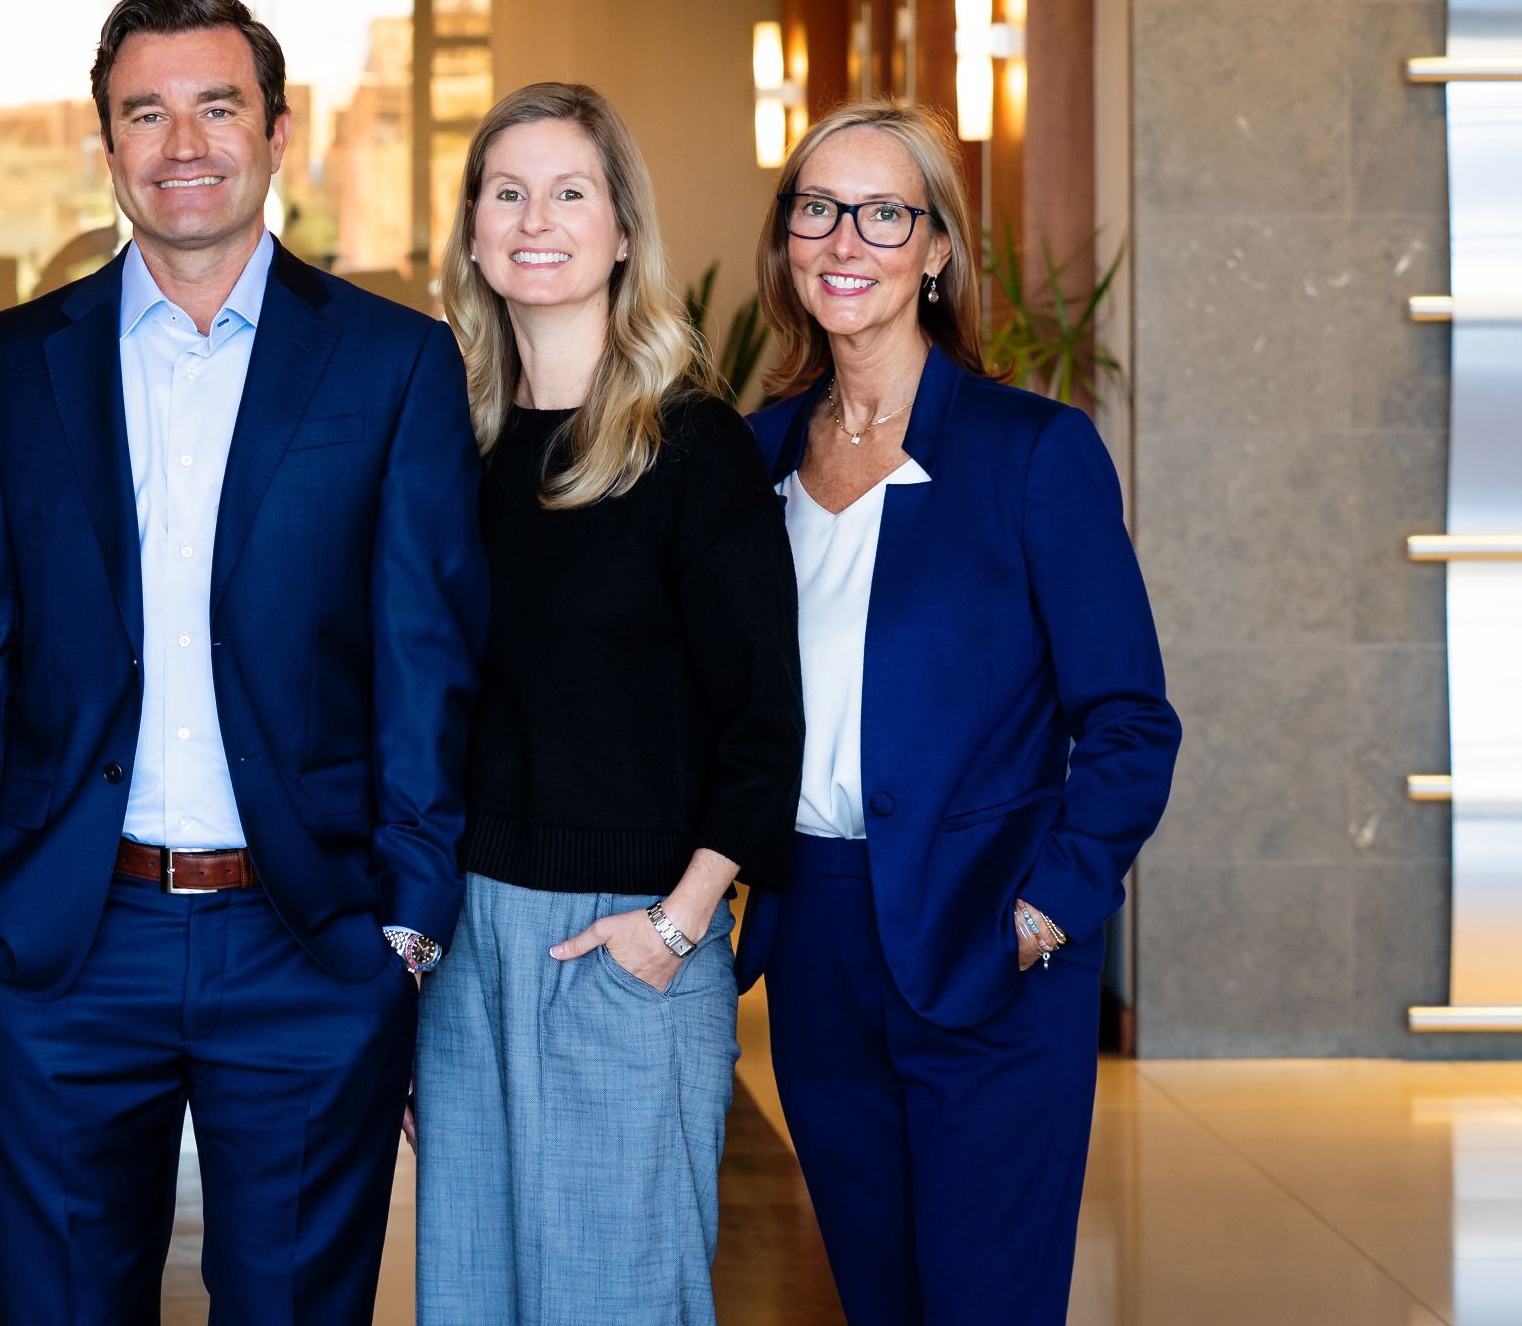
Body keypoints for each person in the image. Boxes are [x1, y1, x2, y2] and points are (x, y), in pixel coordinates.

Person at [0, 0, 488, 1326]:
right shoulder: (4, 368)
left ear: (278, 131)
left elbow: (426, 658)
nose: (183, 144)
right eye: (146, 113)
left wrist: (407, 922)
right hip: (66, 944)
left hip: (311, 943)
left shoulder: (394, 365)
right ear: (106, 143)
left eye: (218, 107)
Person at [738, 99, 1180, 1325]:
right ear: (787, 238)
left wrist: (1045, 913)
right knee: (876, 1293)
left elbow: (1131, 718)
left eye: (885, 213)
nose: (845, 240)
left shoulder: (1031, 451)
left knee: (987, 1297)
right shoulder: (752, 454)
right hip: (818, 938)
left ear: (937, 248)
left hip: (990, 936)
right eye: (818, 208)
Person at [413, 83, 804, 1325]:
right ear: (473, 229)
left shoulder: (694, 445)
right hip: (465, 941)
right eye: (507, 192)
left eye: (570, 191)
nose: (536, 219)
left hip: (630, 937)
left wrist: (677, 926)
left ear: (625, 229)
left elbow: (765, 722)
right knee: (471, 1294)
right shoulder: (447, 445)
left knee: (615, 1299)